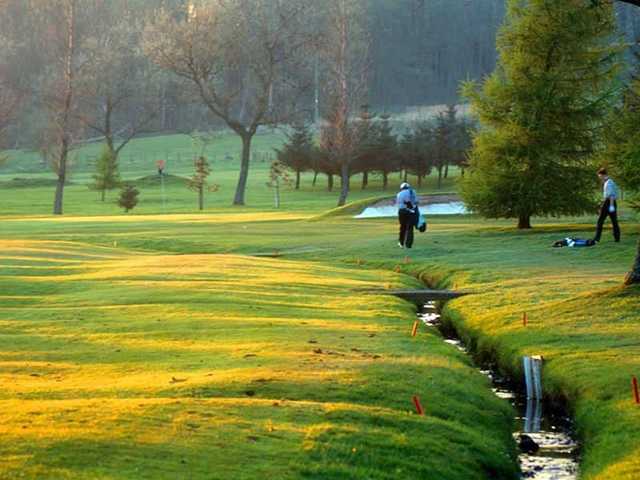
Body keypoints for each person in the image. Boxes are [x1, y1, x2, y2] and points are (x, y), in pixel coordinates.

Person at [593, 168, 621, 243]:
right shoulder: (610, 182)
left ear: (603, 175)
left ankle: (596, 238)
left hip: (609, 203)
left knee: (600, 221)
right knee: (614, 221)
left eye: (600, 176)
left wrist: (611, 206)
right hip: (611, 203)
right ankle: (617, 238)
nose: (599, 178)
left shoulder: (608, 183)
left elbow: (611, 195)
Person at [396, 182, 418, 249]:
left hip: (401, 212)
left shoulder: (398, 194)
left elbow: (400, 203)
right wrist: (412, 208)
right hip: (410, 212)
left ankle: (401, 243)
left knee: (402, 227)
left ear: (401, 188)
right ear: (408, 187)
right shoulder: (412, 192)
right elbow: (415, 202)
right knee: (410, 228)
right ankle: (408, 245)